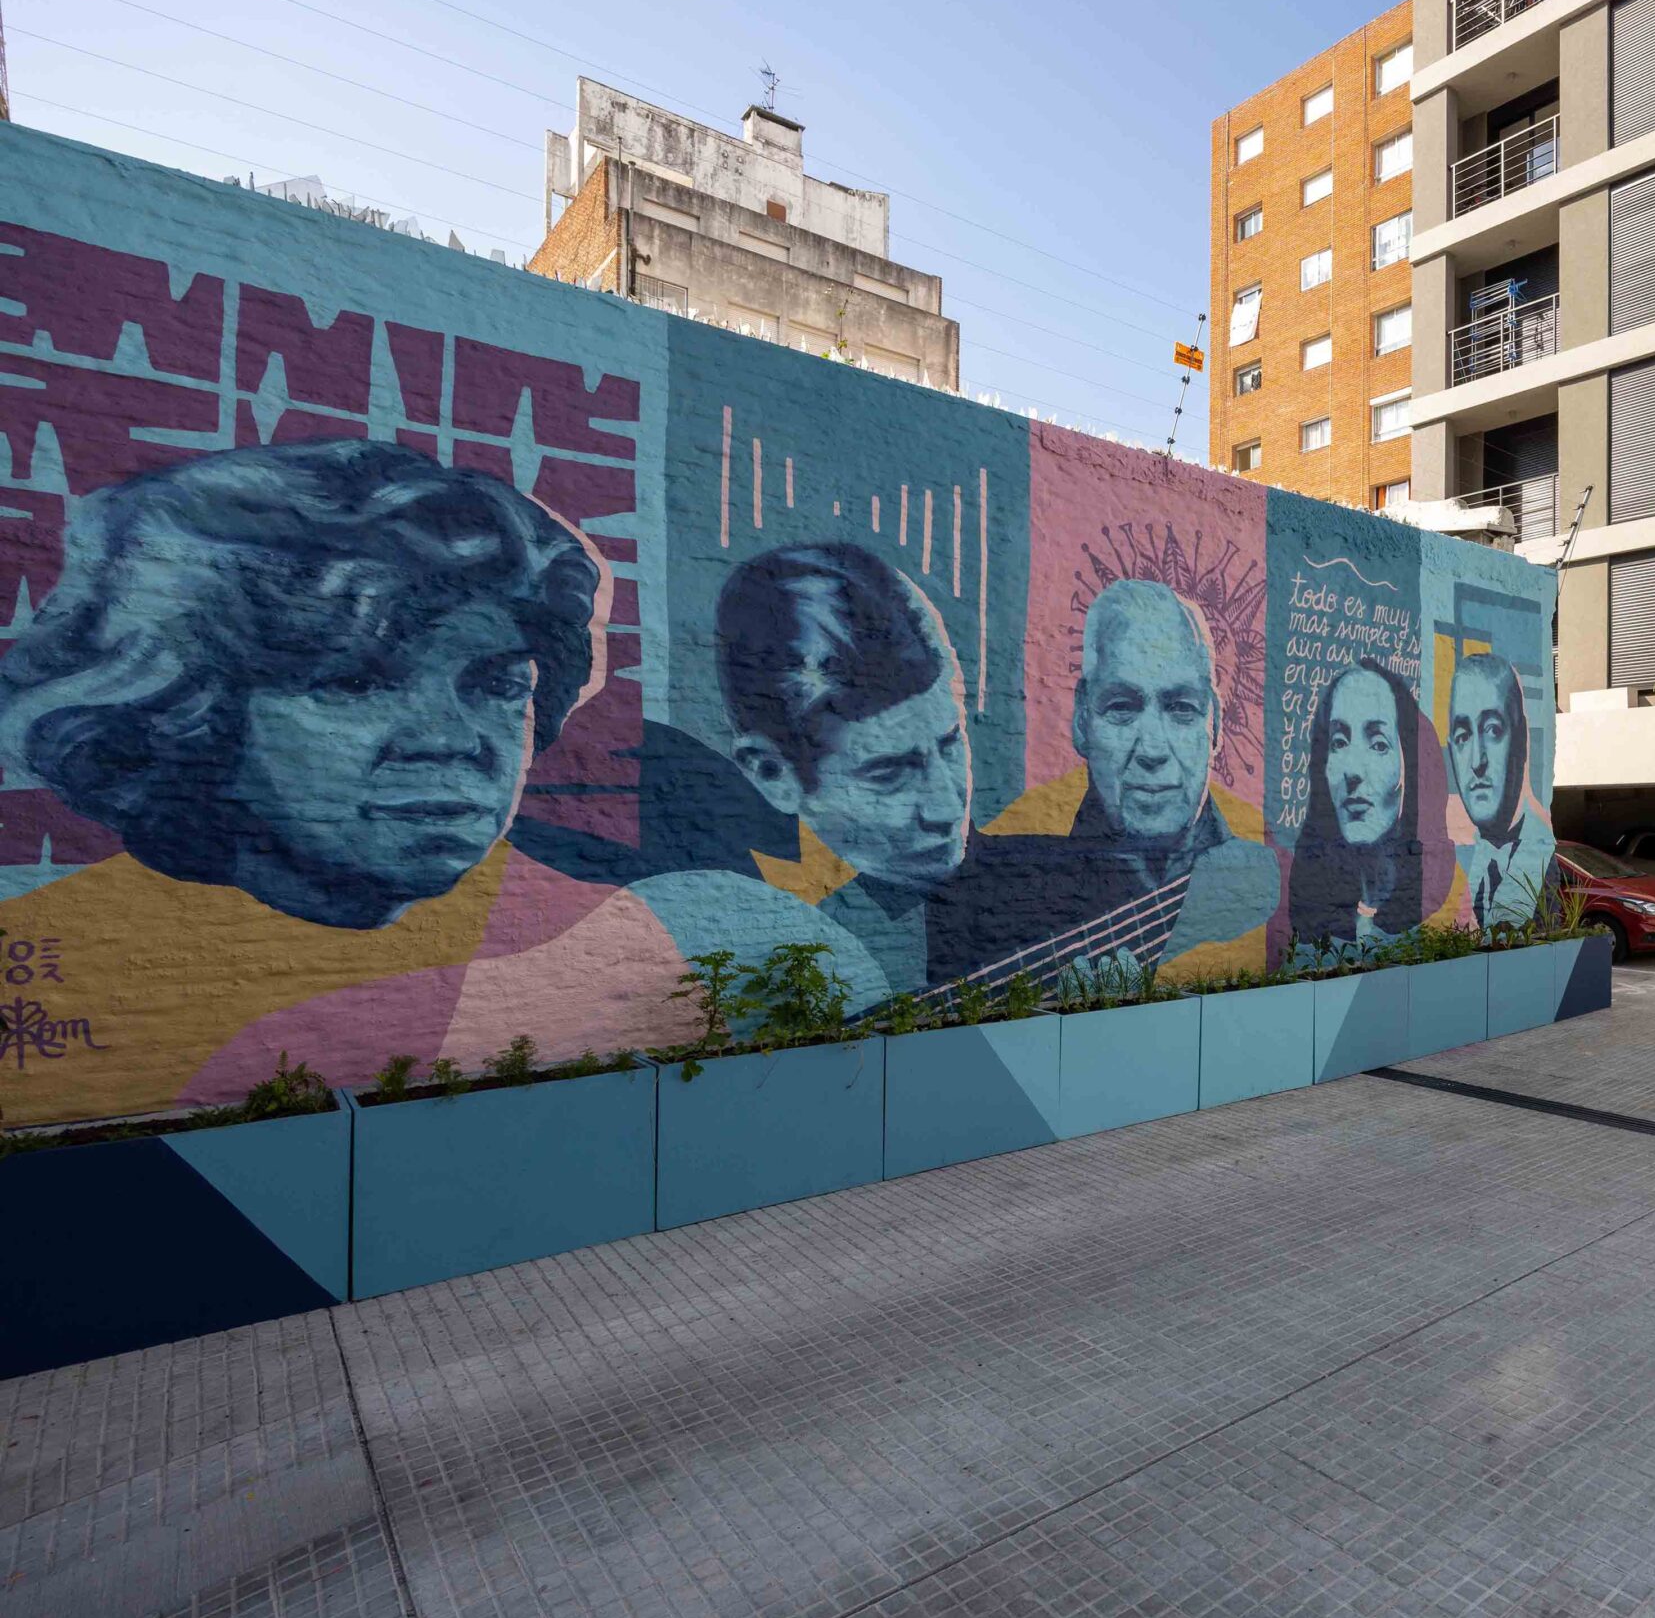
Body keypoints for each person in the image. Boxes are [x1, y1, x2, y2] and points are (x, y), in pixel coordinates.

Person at [0, 439, 699, 1125]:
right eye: (357, 682)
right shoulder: (63, 948)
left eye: (498, 685)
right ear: (184, 713)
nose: (452, 738)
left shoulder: (611, 933)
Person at [653, 541, 974, 1001]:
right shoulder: (725, 916)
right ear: (772, 774)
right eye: (888, 774)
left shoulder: (1039, 879)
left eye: (951, 744)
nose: (945, 808)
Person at [929, 578, 1277, 987]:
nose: (1152, 749)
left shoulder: (1268, 870)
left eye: (1181, 708)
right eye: (1122, 707)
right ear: (1082, 721)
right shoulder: (995, 881)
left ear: (1214, 725)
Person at [1286, 659, 1435, 950]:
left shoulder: (1432, 897)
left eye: (1379, 744)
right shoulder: (1307, 908)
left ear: (1408, 764)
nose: (1353, 771)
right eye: (1339, 743)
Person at [1444, 651, 1553, 929]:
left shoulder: (1542, 854)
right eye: (1463, 736)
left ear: (1521, 738)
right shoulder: (1473, 862)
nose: (1476, 761)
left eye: (1492, 730)